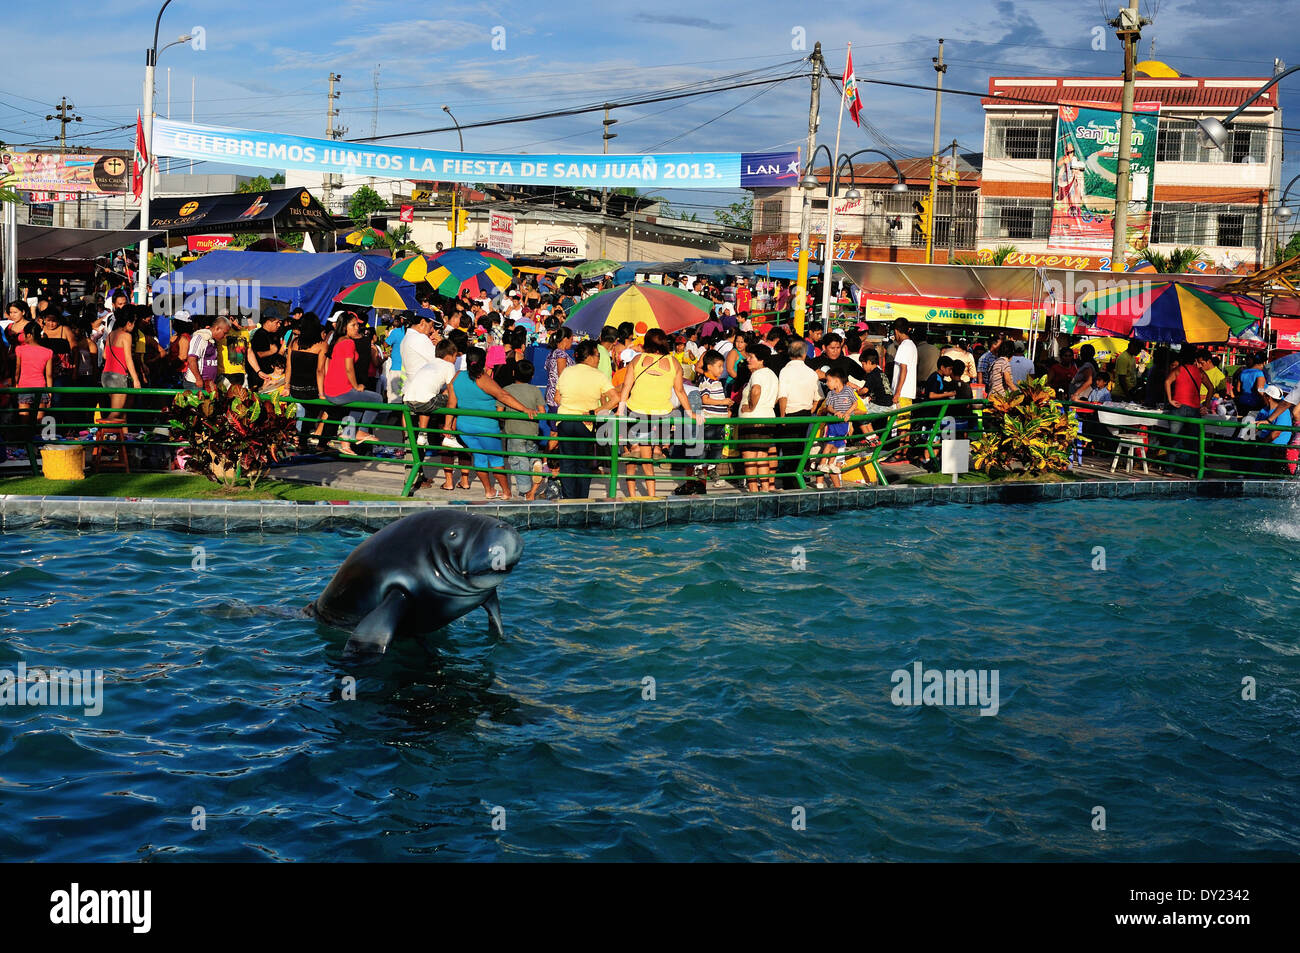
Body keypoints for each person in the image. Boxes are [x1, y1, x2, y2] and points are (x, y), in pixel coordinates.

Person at [448, 345, 538, 499]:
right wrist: (525, 409)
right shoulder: (482, 379)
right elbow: (503, 396)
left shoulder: (457, 376)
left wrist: (446, 425)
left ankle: (489, 490)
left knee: (480, 458)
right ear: (483, 362)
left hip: (465, 426)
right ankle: (506, 492)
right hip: (486, 426)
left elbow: (451, 404)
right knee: (496, 459)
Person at [618, 328, 694, 500]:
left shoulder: (637, 359)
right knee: (647, 459)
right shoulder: (674, 362)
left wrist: (619, 409)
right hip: (660, 415)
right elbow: (680, 391)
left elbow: (626, 387)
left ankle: (632, 497)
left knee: (632, 459)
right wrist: (690, 413)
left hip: (636, 411)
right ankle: (651, 495)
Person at [554, 340, 619, 499]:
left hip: (564, 421)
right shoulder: (599, 375)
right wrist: (594, 411)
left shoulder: (567, 372)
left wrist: (572, 405)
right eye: (597, 355)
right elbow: (615, 399)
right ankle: (582, 501)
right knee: (583, 464)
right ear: (589, 357)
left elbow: (557, 398)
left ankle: (569, 500)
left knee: (567, 463)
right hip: (586, 423)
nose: (598, 359)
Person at [321, 312, 386, 455]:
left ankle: (346, 440)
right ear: (344, 327)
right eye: (353, 325)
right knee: (378, 399)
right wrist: (356, 386)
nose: (357, 327)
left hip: (332, 390)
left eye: (357, 324)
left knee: (358, 406)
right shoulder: (348, 342)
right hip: (340, 390)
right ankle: (362, 431)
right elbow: (349, 368)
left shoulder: (338, 340)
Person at [776, 338, 820, 488]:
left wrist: (782, 416)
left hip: (789, 413)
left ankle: (790, 482)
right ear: (804, 354)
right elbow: (818, 397)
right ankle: (797, 479)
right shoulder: (811, 373)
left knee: (788, 450)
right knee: (800, 448)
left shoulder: (785, 371)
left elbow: (783, 395)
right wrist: (811, 409)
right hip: (805, 413)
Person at [502, 359, 547, 499]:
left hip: (514, 432)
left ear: (514, 373)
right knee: (530, 454)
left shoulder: (506, 390)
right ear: (532, 376)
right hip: (532, 432)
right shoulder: (535, 390)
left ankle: (525, 492)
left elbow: (499, 410)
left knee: (518, 462)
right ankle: (535, 462)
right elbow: (542, 411)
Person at [1162, 346, 1211, 471]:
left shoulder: (1178, 370)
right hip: (1194, 409)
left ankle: (1169, 470)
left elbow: (1167, 381)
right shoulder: (1199, 372)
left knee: (1173, 438)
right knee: (1194, 441)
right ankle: (1193, 471)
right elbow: (1211, 388)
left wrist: (1170, 399)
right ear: (1193, 358)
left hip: (1178, 407)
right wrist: (1205, 405)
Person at [739, 343, 779, 492]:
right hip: (767, 418)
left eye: (751, 357)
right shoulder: (772, 375)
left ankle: (753, 490)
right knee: (762, 455)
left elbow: (756, 390)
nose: (748, 359)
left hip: (752, 420)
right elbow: (777, 397)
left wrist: (751, 407)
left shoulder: (757, 374)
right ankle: (765, 489)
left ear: (761, 360)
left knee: (749, 457)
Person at [286, 312, 327, 449]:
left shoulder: (294, 343)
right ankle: (307, 441)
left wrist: (287, 387)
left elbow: (289, 367)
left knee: (301, 414)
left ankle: (300, 441)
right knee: (315, 412)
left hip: (295, 388)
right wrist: (321, 394)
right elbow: (320, 371)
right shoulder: (322, 345)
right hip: (311, 390)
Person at [814, 367, 857, 489]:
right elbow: (829, 407)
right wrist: (836, 412)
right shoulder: (830, 393)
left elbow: (855, 403)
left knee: (837, 445)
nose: (827, 384)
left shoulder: (848, 390)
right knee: (829, 444)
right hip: (832, 424)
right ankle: (822, 465)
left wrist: (848, 413)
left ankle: (831, 464)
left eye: (828, 381)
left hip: (843, 424)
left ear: (836, 380)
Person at [102, 307, 142, 423]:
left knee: (122, 412)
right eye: (134, 323)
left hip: (106, 375)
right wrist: (136, 379)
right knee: (116, 412)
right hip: (118, 376)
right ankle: (102, 435)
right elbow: (128, 359)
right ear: (129, 323)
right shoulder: (126, 336)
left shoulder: (111, 335)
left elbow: (105, 355)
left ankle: (123, 438)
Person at [886, 317, 918, 462]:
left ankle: (899, 453)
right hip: (907, 392)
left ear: (896, 331)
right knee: (905, 424)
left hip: (902, 392)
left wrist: (897, 392)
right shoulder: (911, 345)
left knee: (900, 425)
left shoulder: (904, 346)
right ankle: (903, 453)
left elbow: (903, 370)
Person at [13, 326, 53, 431]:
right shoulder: (48, 352)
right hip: (41, 387)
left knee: (24, 420)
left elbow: (17, 370)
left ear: (29, 335)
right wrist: (50, 393)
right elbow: (49, 375)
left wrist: (16, 383)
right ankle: (40, 443)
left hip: (24, 386)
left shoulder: (20, 349)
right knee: (40, 421)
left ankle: (25, 444)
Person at [183, 317, 228, 395]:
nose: (225, 336)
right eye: (224, 333)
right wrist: (198, 379)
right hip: (196, 384)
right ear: (217, 328)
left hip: (208, 385)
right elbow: (191, 359)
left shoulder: (213, 341)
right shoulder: (199, 338)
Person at [247, 309, 285, 392]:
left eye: (280, 323)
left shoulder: (274, 334)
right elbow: (258, 354)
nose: (278, 325)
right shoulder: (260, 334)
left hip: (272, 375)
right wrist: (271, 351)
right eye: (277, 322)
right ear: (268, 321)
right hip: (261, 376)